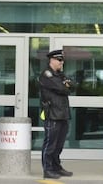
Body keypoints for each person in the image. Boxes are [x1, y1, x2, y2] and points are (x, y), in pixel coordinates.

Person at [39, 49, 73, 179]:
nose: (61, 62)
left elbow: (73, 86)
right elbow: (62, 88)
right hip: (52, 113)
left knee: (59, 144)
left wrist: (66, 85)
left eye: (62, 60)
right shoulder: (46, 74)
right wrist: (65, 85)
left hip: (63, 113)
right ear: (51, 60)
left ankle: (56, 167)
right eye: (59, 60)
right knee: (50, 144)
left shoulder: (60, 75)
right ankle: (47, 170)